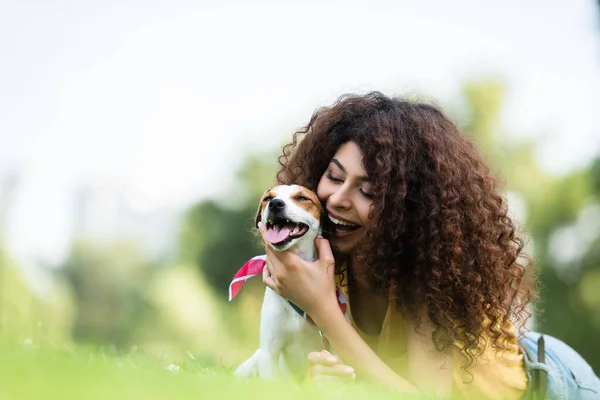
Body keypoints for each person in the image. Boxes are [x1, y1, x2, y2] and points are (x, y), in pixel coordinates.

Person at [258, 92, 600, 399]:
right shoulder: (330, 256)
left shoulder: (436, 281)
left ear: (409, 206)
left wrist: (323, 309)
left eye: (370, 192)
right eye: (334, 176)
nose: (338, 199)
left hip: (556, 388)